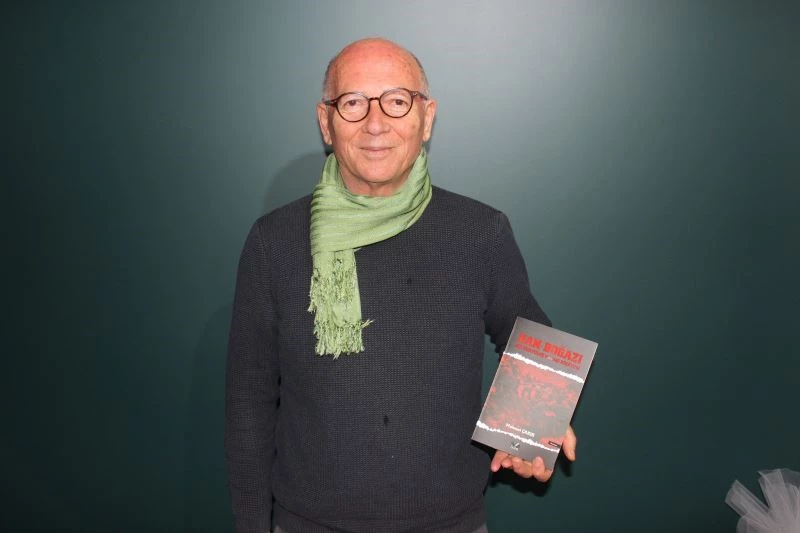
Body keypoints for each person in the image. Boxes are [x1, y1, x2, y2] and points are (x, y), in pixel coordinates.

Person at [225, 37, 577, 533]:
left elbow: (534, 337)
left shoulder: (480, 233)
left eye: (397, 101)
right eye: (353, 103)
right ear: (326, 122)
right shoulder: (274, 242)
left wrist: (535, 427)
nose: (375, 123)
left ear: (426, 118)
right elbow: (248, 402)